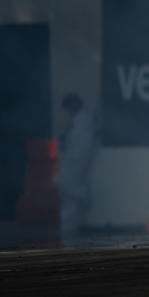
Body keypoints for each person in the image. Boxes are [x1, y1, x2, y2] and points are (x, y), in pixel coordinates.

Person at [53, 93, 95, 240]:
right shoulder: (71, 122)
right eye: (67, 105)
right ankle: (67, 229)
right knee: (68, 199)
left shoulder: (83, 119)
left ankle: (83, 195)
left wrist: (75, 159)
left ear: (77, 103)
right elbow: (66, 143)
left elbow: (85, 145)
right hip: (69, 160)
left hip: (77, 162)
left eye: (72, 104)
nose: (70, 108)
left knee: (59, 181)